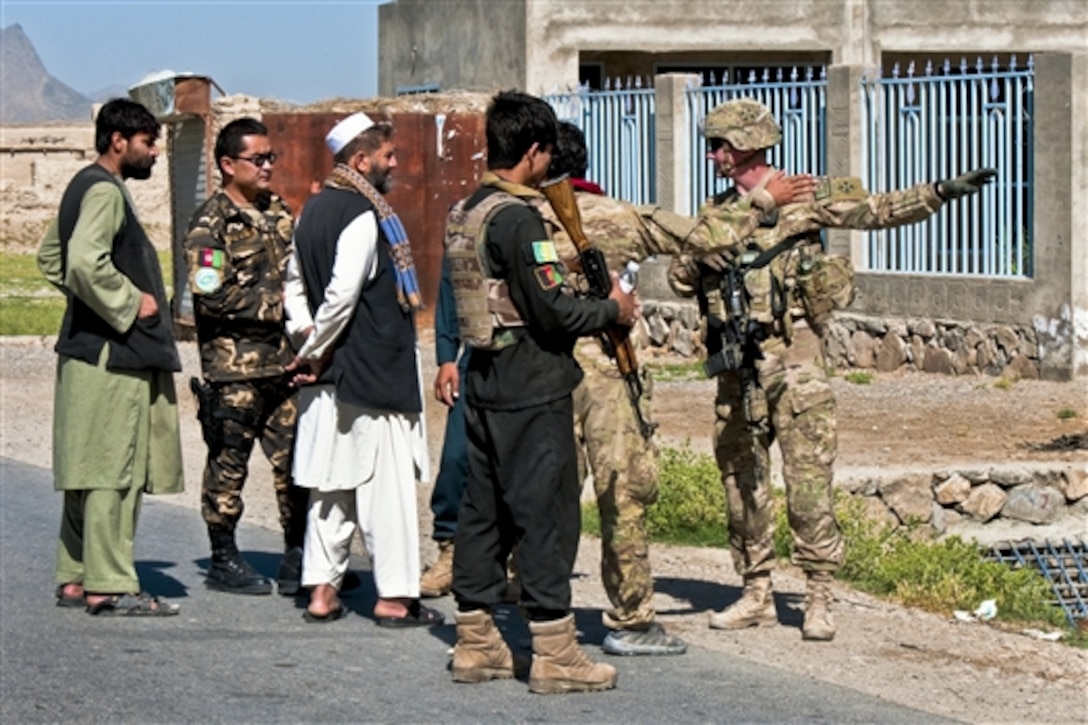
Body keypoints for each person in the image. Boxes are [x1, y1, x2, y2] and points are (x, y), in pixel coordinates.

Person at [668, 98, 995, 641]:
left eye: (719, 145)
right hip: (737, 370)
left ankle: (819, 597)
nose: (712, 155)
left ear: (747, 144)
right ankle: (756, 592)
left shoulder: (807, 195)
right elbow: (682, 273)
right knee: (741, 484)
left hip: (796, 367)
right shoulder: (718, 210)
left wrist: (937, 193)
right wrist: (744, 215)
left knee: (808, 484)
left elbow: (878, 209)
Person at [445, 91, 638, 695]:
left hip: (485, 379)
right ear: (533, 151)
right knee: (544, 513)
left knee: (484, 515)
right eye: (546, 155)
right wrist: (613, 309)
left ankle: (476, 642)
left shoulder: (467, 210)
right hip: (532, 386)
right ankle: (555, 650)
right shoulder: (518, 218)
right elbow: (549, 309)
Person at [284, 112, 442, 628]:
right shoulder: (361, 214)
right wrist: (317, 350)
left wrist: (305, 337)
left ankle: (322, 594)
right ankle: (395, 599)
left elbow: (292, 289)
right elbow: (342, 294)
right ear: (360, 160)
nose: (393, 163)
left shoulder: (310, 211)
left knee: (330, 492)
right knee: (385, 493)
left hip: (331, 380)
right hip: (369, 377)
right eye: (387, 155)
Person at [38, 98, 184, 616]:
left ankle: (76, 576)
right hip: (112, 358)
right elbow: (80, 261)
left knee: (86, 468)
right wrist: (127, 301)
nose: (154, 153)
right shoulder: (104, 190)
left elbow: (51, 259)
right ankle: (109, 585)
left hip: (86, 350)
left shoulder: (82, 184)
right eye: (148, 143)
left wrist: (89, 302)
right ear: (118, 141)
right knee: (113, 470)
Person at [183, 118, 309, 596]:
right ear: (227, 164)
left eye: (271, 157)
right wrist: (278, 304)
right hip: (233, 369)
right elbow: (212, 296)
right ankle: (223, 557)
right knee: (229, 463)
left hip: (282, 364)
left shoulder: (278, 212)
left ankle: (297, 555)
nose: (268, 166)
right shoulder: (209, 225)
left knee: (295, 464)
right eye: (258, 159)